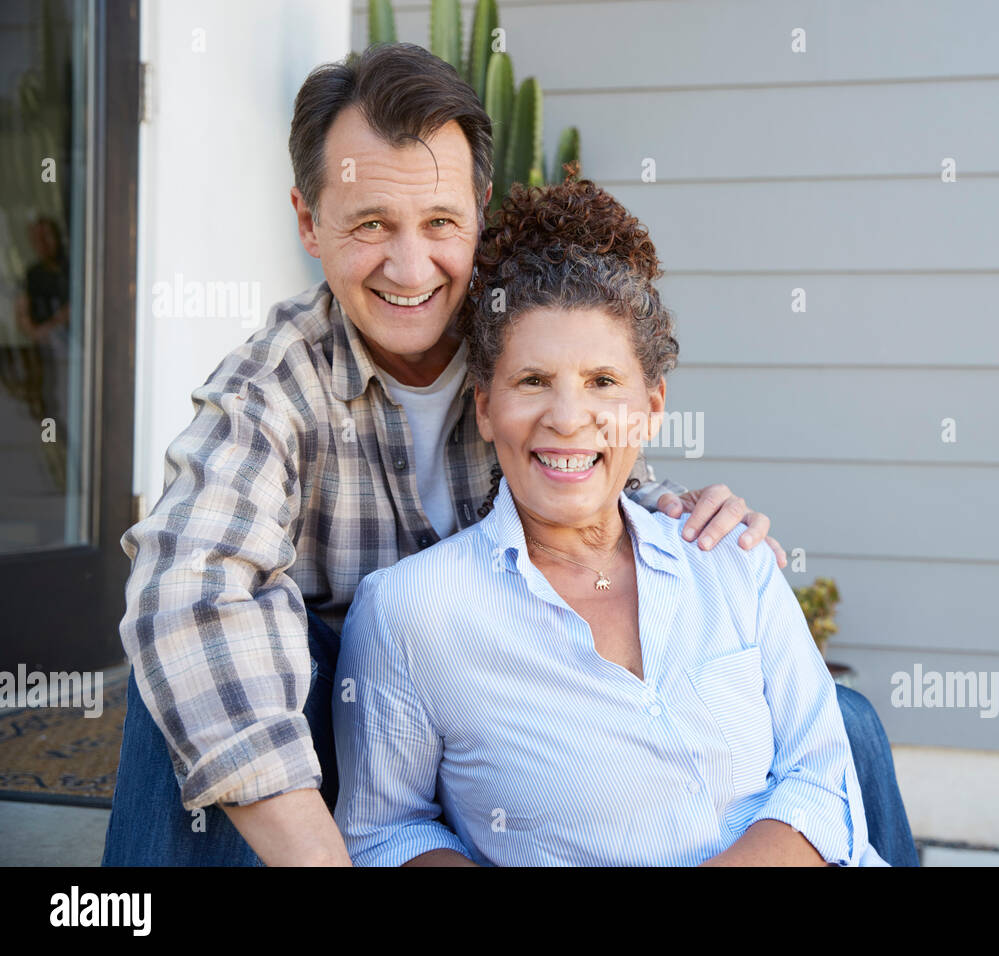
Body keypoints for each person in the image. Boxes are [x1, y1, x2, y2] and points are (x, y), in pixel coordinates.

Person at [103, 42, 916, 867]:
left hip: (507, 731)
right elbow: (187, 583)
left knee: (840, 725)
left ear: (479, 211)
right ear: (310, 223)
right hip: (338, 740)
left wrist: (673, 508)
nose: (410, 266)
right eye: (371, 224)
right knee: (193, 658)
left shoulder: (522, 340)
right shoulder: (271, 390)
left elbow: (587, 448)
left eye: (441, 223)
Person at [333, 179, 890, 866]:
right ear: (484, 406)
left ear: (652, 406)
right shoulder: (411, 613)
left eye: (603, 382)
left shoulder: (728, 558)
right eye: (533, 381)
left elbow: (823, 780)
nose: (568, 418)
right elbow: (388, 832)